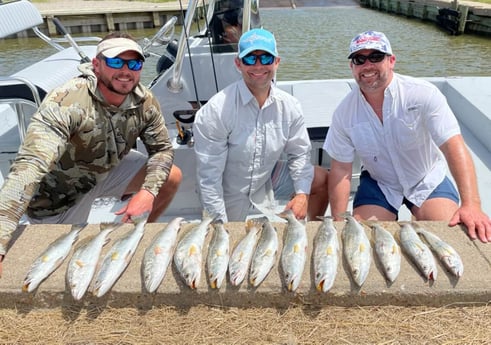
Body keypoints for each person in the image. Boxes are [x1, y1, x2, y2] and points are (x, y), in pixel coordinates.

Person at [0, 32, 182, 275]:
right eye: (116, 62)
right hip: (61, 194)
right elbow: (29, 168)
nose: (126, 71)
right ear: (96, 65)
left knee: (171, 177)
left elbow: (161, 149)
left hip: (105, 169)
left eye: (134, 63)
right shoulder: (67, 102)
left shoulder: (143, 100)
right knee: (65, 267)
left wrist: (148, 192)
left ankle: (133, 238)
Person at [324, 30, 491, 242]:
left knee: (447, 237)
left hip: (426, 179)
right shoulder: (344, 113)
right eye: (359, 59)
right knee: (365, 242)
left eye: (376, 57)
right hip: (380, 182)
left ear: (391, 60)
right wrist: (338, 222)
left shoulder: (423, 94)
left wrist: (472, 205)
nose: (367, 65)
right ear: (352, 67)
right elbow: (340, 169)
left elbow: (453, 146)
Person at [193, 28, 329, 223]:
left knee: (322, 179)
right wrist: (219, 226)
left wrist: (302, 194)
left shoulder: (290, 106)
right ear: (238, 63)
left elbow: (299, 154)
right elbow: (209, 179)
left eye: (266, 58)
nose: (258, 66)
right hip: (228, 190)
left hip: (265, 179)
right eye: (250, 59)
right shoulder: (216, 110)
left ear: (277, 62)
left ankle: (311, 232)